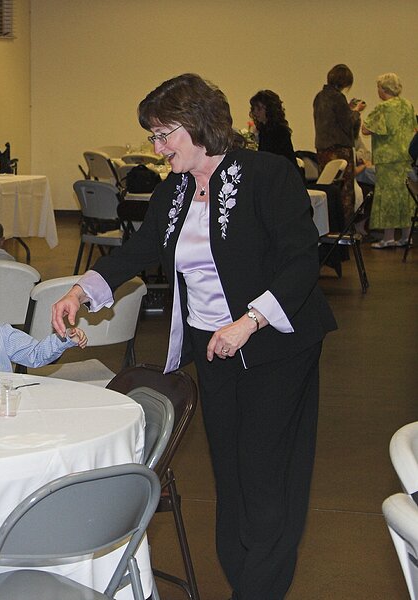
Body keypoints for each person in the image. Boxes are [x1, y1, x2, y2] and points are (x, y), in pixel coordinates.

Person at [51, 74, 337, 600]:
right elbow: (138, 252)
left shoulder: (267, 175)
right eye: (153, 136)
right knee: (229, 470)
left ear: (199, 124)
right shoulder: (175, 189)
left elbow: (301, 261)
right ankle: (242, 578)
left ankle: (260, 590)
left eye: (164, 135)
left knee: (266, 473)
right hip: (214, 348)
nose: (158, 148)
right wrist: (80, 292)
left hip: (276, 344)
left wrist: (249, 321)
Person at [360, 73, 416, 249]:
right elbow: (414, 128)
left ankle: (388, 237)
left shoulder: (382, 108)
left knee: (387, 197)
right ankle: (406, 236)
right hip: (405, 157)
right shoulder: (408, 105)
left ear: (383, 89)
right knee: (405, 196)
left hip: (387, 159)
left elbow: (365, 129)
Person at [313, 64, 365, 223]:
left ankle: (329, 223)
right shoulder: (338, 97)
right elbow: (348, 124)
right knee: (345, 192)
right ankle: (345, 225)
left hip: (322, 149)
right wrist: (356, 111)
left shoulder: (319, 97)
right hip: (340, 150)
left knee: (328, 188)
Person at [249, 90, 297, 167]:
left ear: (269, 109)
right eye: (254, 109)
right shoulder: (264, 130)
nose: (255, 113)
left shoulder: (280, 131)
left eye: (259, 109)